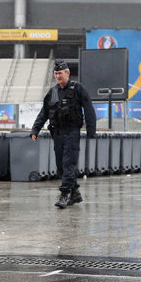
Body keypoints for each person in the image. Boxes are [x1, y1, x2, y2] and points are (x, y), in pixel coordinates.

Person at [30, 60, 97, 209]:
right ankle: (75, 193)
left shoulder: (78, 89)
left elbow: (89, 109)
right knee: (61, 165)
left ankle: (64, 195)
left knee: (68, 163)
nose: (58, 76)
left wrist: (91, 131)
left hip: (72, 131)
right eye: (56, 73)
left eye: (60, 73)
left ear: (68, 73)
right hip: (57, 132)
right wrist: (35, 129)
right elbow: (44, 113)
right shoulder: (53, 92)